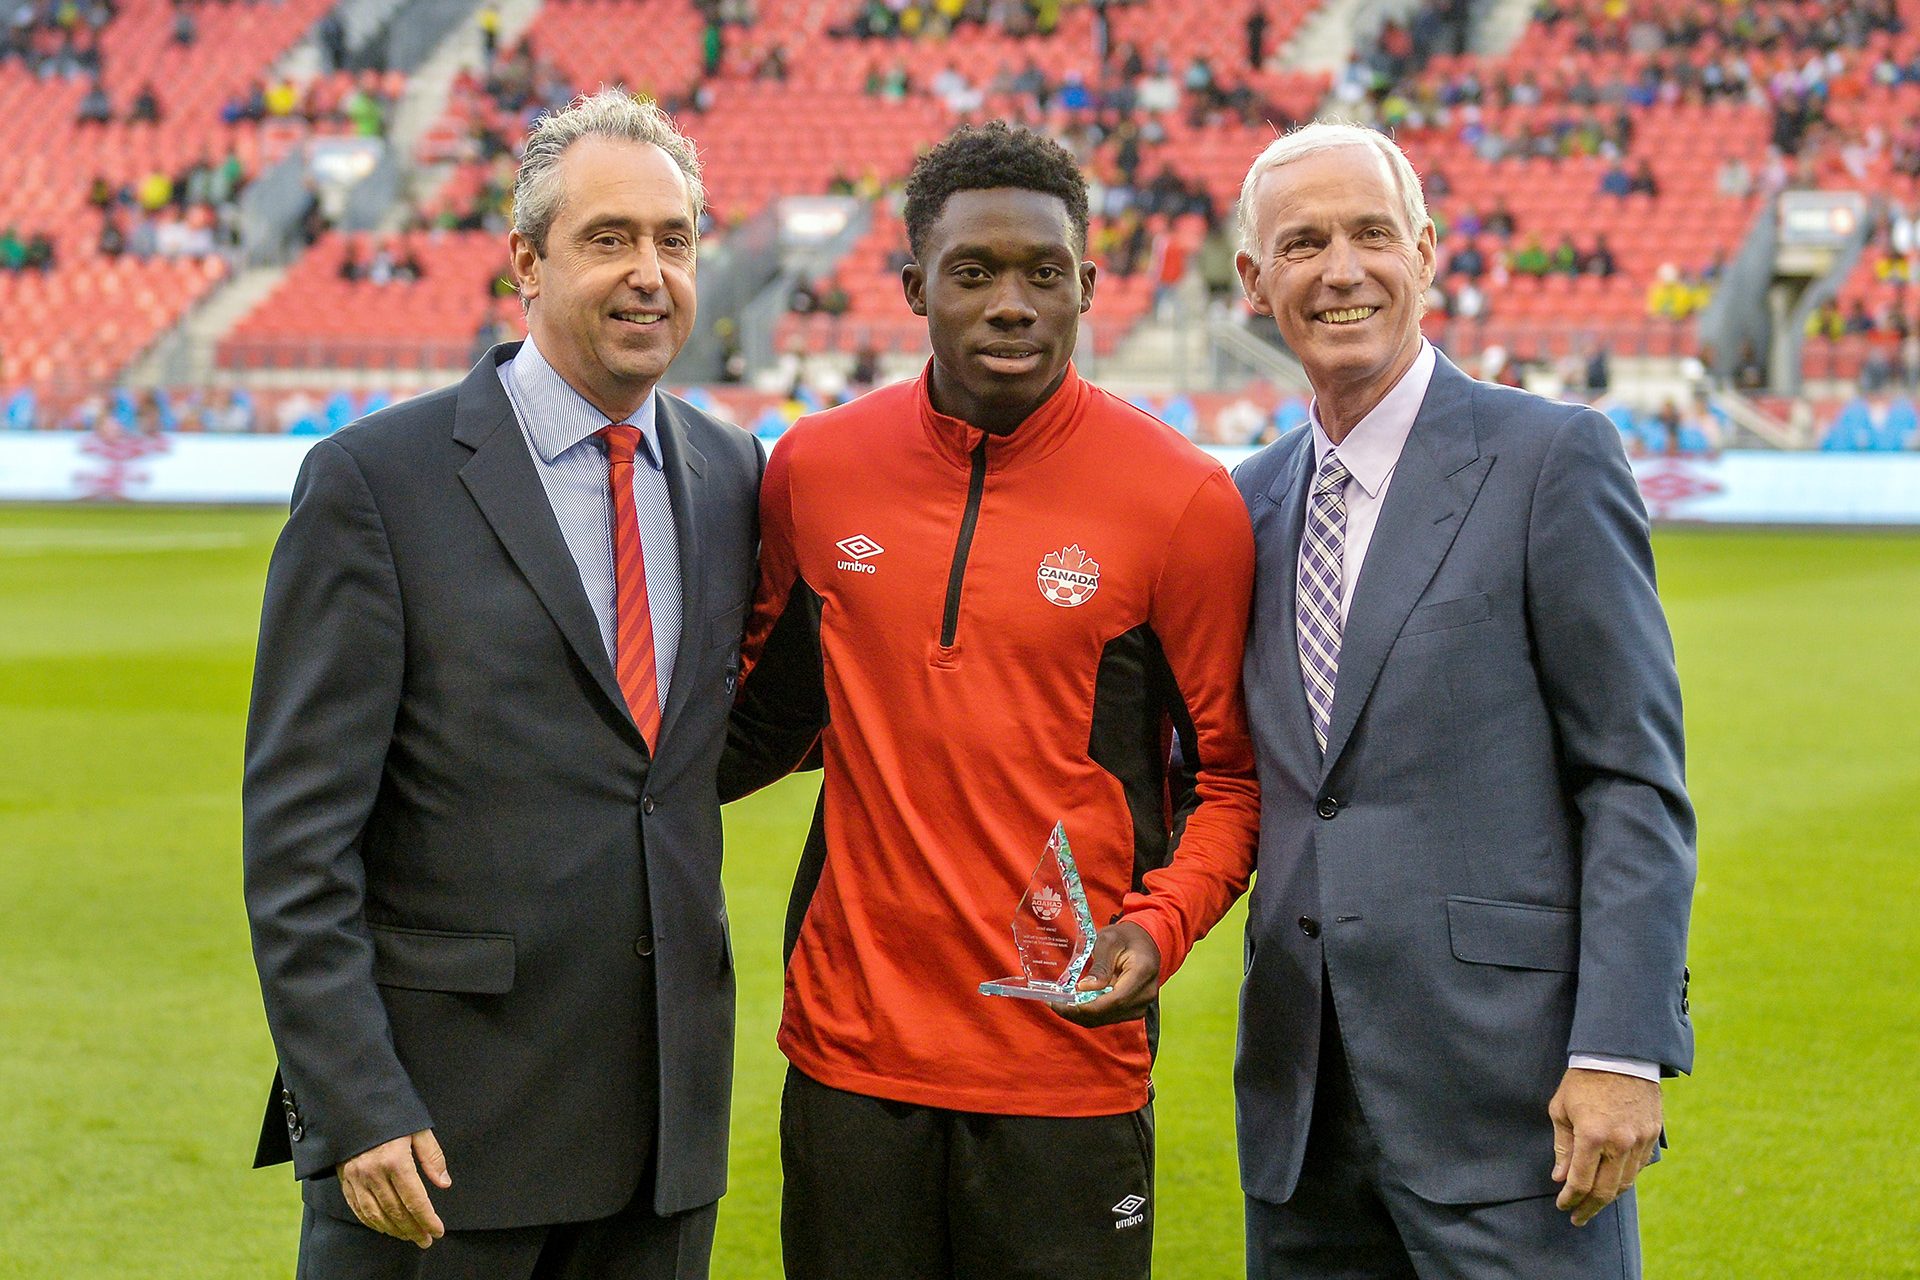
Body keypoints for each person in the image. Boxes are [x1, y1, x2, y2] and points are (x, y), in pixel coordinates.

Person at [721, 121, 1261, 1280]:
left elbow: (1232, 780)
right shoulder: (814, 471)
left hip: (1066, 1055)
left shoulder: (1183, 502)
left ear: (1090, 288)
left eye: (1043, 273)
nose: (1011, 303)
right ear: (913, 284)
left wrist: (1159, 926)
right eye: (973, 272)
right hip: (850, 1053)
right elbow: (754, 719)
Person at [243, 88, 762, 1279]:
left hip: (661, 1140)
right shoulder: (376, 482)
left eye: (674, 240)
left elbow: (689, 754)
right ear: (524, 261)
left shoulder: (731, 473)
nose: (650, 273)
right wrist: (352, 1096)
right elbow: (297, 836)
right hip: (437, 1137)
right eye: (609, 238)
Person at [1230, 121, 1695, 1279]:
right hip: (1302, 1111)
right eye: (1303, 243)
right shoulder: (1242, 506)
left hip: (1514, 1103)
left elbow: (1631, 778)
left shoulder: (1553, 459)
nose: (1341, 270)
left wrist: (1622, 1047)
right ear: (1253, 282)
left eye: (1371, 234)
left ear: (1428, 251)